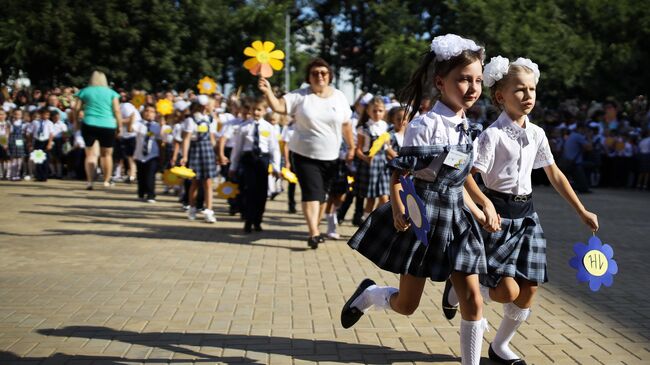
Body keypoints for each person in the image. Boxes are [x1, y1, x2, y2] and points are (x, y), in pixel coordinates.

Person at [340, 34, 500, 365]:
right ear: (441, 82)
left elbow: (461, 172)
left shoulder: (466, 123)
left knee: (472, 298)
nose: (471, 88)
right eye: (463, 80)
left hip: (457, 219)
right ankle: (371, 294)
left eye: (477, 81)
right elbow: (400, 173)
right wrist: (399, 207)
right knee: (407, 305)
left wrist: (483, 202)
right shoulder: (424, 125)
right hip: (424, 217)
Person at [444, 56, 599, 364]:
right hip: (497, 219)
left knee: (529, 290)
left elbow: (554, 174)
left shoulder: (538, 133)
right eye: (519, 90)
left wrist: (581, 210)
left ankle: (500, 346)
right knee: (506, 292)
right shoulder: (492, 135)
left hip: (527, 217)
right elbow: (466, 177)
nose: (528, 96)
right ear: (500, 96)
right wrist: (482, 207)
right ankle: (458, 291)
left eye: (531, 89)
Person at [259, 58, 356, 249]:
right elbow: (279, 106)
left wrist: (352, 146)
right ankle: (313, 232)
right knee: (312, 192)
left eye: (323, 73)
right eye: (315, 73)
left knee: (322, 196)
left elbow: (346, 124)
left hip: (331, 156)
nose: (319, 76)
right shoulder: (300, 96)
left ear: (329, 76)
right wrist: (267, 91)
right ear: (309, 77)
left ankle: (316, 228)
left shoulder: (339, 96)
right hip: (303, 154)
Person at [228, 98, 281, 233]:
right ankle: (248, 219)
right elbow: (237, 148)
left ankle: (258, 219)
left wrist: (276, 167)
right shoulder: (244, 127)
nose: (256, 112)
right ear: (250, 111)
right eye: (254, 110)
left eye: (259, 110)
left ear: (264, 111)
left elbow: (274, 148)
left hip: (262, 160)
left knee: (261, 192)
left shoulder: (269, 128)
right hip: (248, 159)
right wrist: (233, 167)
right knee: (248, 190)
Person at [72, 70, 123, 190]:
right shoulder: (112, 93)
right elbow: (116, 110)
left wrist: (76, 121)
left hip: (89, 123)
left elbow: (76, 108)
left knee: (90, 154)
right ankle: (106, 181)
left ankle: (90, 182)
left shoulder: (84, 91)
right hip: (108, 125)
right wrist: (119, 125)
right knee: (107, 155)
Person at [180, 96, 217, 224]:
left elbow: (212, 139)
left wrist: (216, 154)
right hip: (195, 150)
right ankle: (192, 207)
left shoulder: (210, 119)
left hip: (207, 151)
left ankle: (209, 210)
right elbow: (186, 139)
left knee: (208, 182)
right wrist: (184, 156)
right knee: (195, 182)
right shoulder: (191, 120)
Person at [355, 96, 391, 219]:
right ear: (368, 111)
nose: (377, 113)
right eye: (374, 110)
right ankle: (366, 221)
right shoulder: (363, 128)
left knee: (384, 197)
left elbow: (387, 147)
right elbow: (358, 150)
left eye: (380, 110)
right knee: (370, 199)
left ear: (384, 111)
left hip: (383, 164)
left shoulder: (386, 127)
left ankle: (383, 221)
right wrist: (366, 159)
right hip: (370, 165)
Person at [133, 104, 162, 203]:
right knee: (141, 175)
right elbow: (130, 129)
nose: (149, 113)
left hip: (152, 154)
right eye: (147, 111)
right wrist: (130, 119)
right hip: (140, 154)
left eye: (152, 111)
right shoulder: (138, 124)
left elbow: (159, 139)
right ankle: (141, 193)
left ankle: (151, 194)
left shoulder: (157, 126)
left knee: (150, 175)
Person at [30, 107, 54, 181]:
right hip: (38, 141)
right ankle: (39, 176)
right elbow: (30, 133)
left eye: (48, 115)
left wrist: (49, 143)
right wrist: (30, 143)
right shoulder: (35, 122)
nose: (46, 116)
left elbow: (51, 134)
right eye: (45, 114)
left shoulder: (50, 123)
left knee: (45, 159)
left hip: (45, 141)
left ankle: (44, 176)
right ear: (41, 114)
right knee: (38, 159)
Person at [7, 109, 27, 180]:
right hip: (12, 141)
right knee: (13, 158)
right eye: (15, 114)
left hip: (20, 141)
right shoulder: (10, 123)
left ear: (21, 115)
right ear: (13, 114)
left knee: (20, 158)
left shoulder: (23, 123)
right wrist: (6, 142)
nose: (17, 115)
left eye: (19, 114)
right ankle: (13, 174)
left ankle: (18, 174)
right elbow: (7, 133)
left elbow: (25, 133)